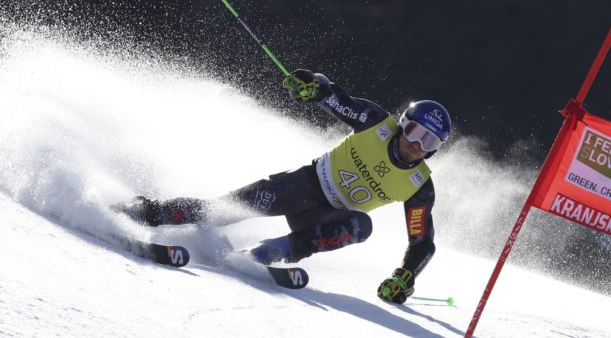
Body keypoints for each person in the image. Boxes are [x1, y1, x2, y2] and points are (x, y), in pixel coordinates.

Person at [116, 69, 451, 304]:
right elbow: (334, 97)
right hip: (301, 185)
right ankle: (149, 212)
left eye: (430, 141)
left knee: (361, 226)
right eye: (415, 133)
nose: (418, 145)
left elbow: (422, 241)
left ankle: (262, 255)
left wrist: (404, 277)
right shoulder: (375, 122)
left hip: (323, 219)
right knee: (221, 211)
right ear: (403, 124)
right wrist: (312, 86)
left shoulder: (418, 187)